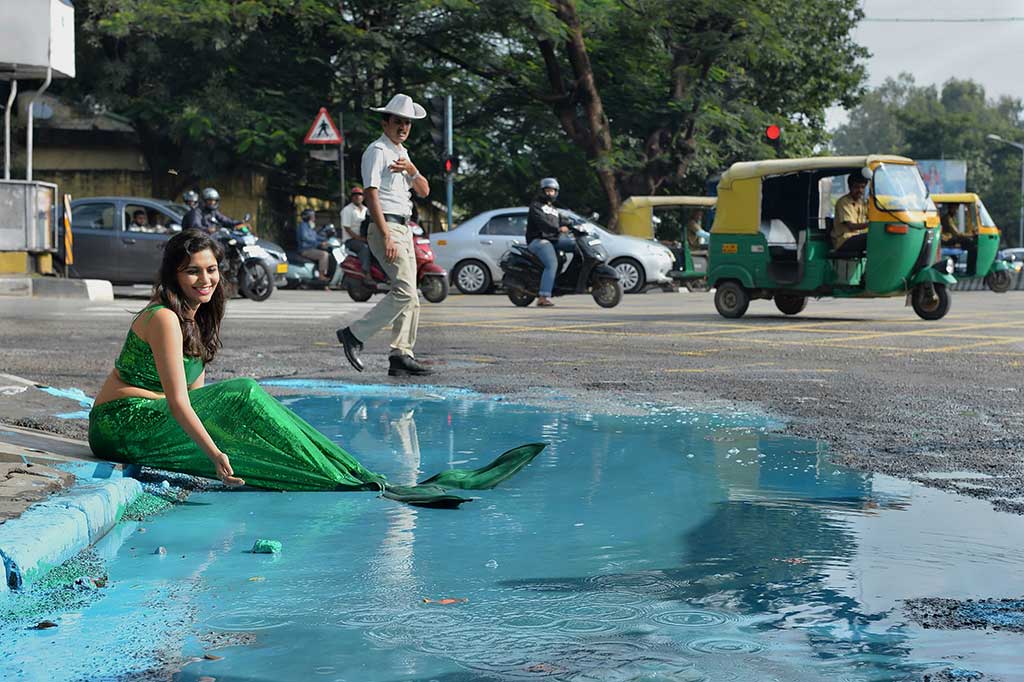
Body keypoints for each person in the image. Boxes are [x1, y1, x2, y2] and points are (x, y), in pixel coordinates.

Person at [87, 229, 544, 505]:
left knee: (243, 407)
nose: (204, 280)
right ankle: (343, 475)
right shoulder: (164, 317)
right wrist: (216, 455)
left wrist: (225, 442)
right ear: (173, 277)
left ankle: (349, 473)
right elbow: (181, 402)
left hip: (151, 420)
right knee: (243, 394)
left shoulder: (197, 316)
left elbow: (200, 399)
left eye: (210, 270)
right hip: (118, 426)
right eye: (192, 272)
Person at [337, 94, 431, 377]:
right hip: (386, 226)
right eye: (398, 122)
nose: (403, 127)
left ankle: (401, 354)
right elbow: (371, 194)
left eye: (407, 123)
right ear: (386, 122)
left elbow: (425, 191)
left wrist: (412, 171)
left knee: (411, 294)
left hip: (404, 227)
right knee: (404, 290)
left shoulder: (402, 154)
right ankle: (354, 335)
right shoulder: (377, 151)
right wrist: (386, 234)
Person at [526, 177, 574, 307]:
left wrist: (575, 224)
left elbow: (563, 220)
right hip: (538, 240)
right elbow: (542, 223)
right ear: (542, 191)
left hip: (553, 240)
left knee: (577, 245)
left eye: (552, 191)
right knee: (551, 263)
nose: (550, 193)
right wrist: (558, 228)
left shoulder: (553, 208)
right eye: (547, 190)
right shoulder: (536, 205)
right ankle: (543, 296)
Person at [832, 173, 869, 255]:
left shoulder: (863, 203)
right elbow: (851, 226)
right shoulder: (844, 202)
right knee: (872, 238)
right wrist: (870, 224)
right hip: (844, 241)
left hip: (856, 239)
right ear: (849, 187)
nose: (860, 190)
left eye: (862, 187)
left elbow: (873, 215)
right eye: (856, 187)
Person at [341, 186, 371, 275]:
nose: (357, 197)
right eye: (355, 195)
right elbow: (347, 229)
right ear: (352, 197)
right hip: (351, 240)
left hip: (366, 238)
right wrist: (360, 238)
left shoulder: (366, 210)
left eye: (360, 194)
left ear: (363, 197)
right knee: (365, 248)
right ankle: (366, 272)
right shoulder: (347, 210)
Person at [296, 208, 331, 281]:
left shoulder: (309, 227)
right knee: (324, 254)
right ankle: (321, 276)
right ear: (308, 217)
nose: (314, 218)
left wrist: (326, 240)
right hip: (305, 250)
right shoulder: (303, 226)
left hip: (311, 248)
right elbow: (306, 238)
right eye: (313, 216)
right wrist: (319, 243)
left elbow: (316, 237)